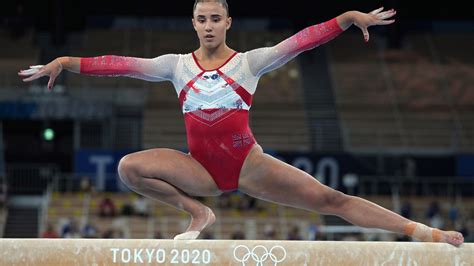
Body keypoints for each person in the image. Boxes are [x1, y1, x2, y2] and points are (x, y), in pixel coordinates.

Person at [19, 0, 464, 246]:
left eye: (216, 18)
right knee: (128, 168)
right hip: (199, 168)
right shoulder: (175, 66)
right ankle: (198, 213)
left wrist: (345, 20)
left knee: (332, 199)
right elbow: (119, 64)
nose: (209, 25)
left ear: (227, 22)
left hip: (248, 164)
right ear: (192, 23)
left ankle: (423, 231)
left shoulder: (249, 63)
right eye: (202, 19)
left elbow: (299, 42)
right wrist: (66, 61)